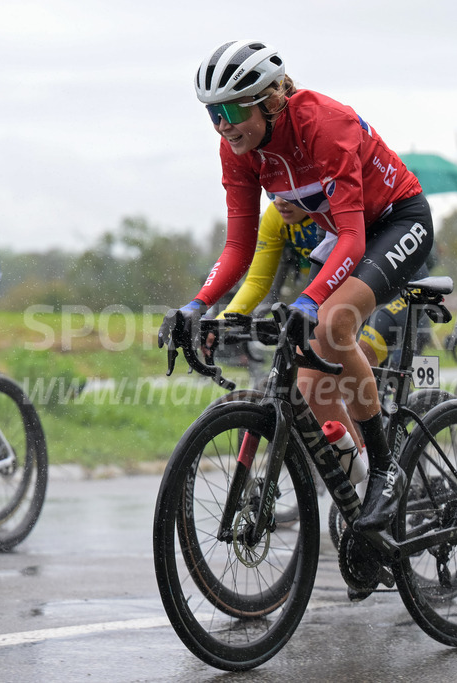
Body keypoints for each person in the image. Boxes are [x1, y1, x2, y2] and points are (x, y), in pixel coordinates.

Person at [161, 40, 434, 531]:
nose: (222, 125)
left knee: (331, 325)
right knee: (310, 389)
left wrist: (309, 300)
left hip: (395, 221)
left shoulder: (325, 125)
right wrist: (197, 305)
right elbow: (239, 248)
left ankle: (387, 473)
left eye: (229, 110)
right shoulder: (237, 150)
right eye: (212, 115)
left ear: (269, 100)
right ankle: (365, 508)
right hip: (344, 235)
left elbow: (353, 238)